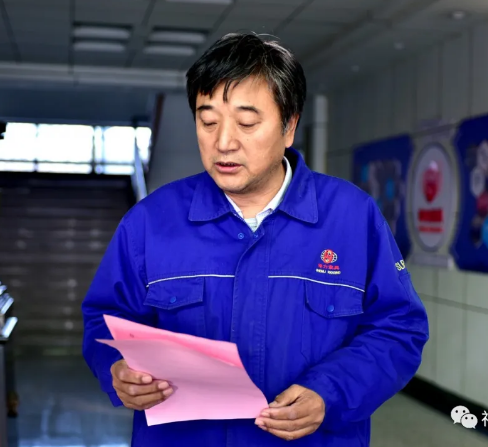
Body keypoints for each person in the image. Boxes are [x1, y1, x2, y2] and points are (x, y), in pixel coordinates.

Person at [81, 32, 429, 446]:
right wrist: (116, 367)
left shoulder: (353, 218)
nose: (223, 142)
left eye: (246, 123)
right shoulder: (151, 221)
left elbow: (398, 328)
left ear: (289, 126)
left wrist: (330, 393)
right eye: (207, 121)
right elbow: (105, 319)